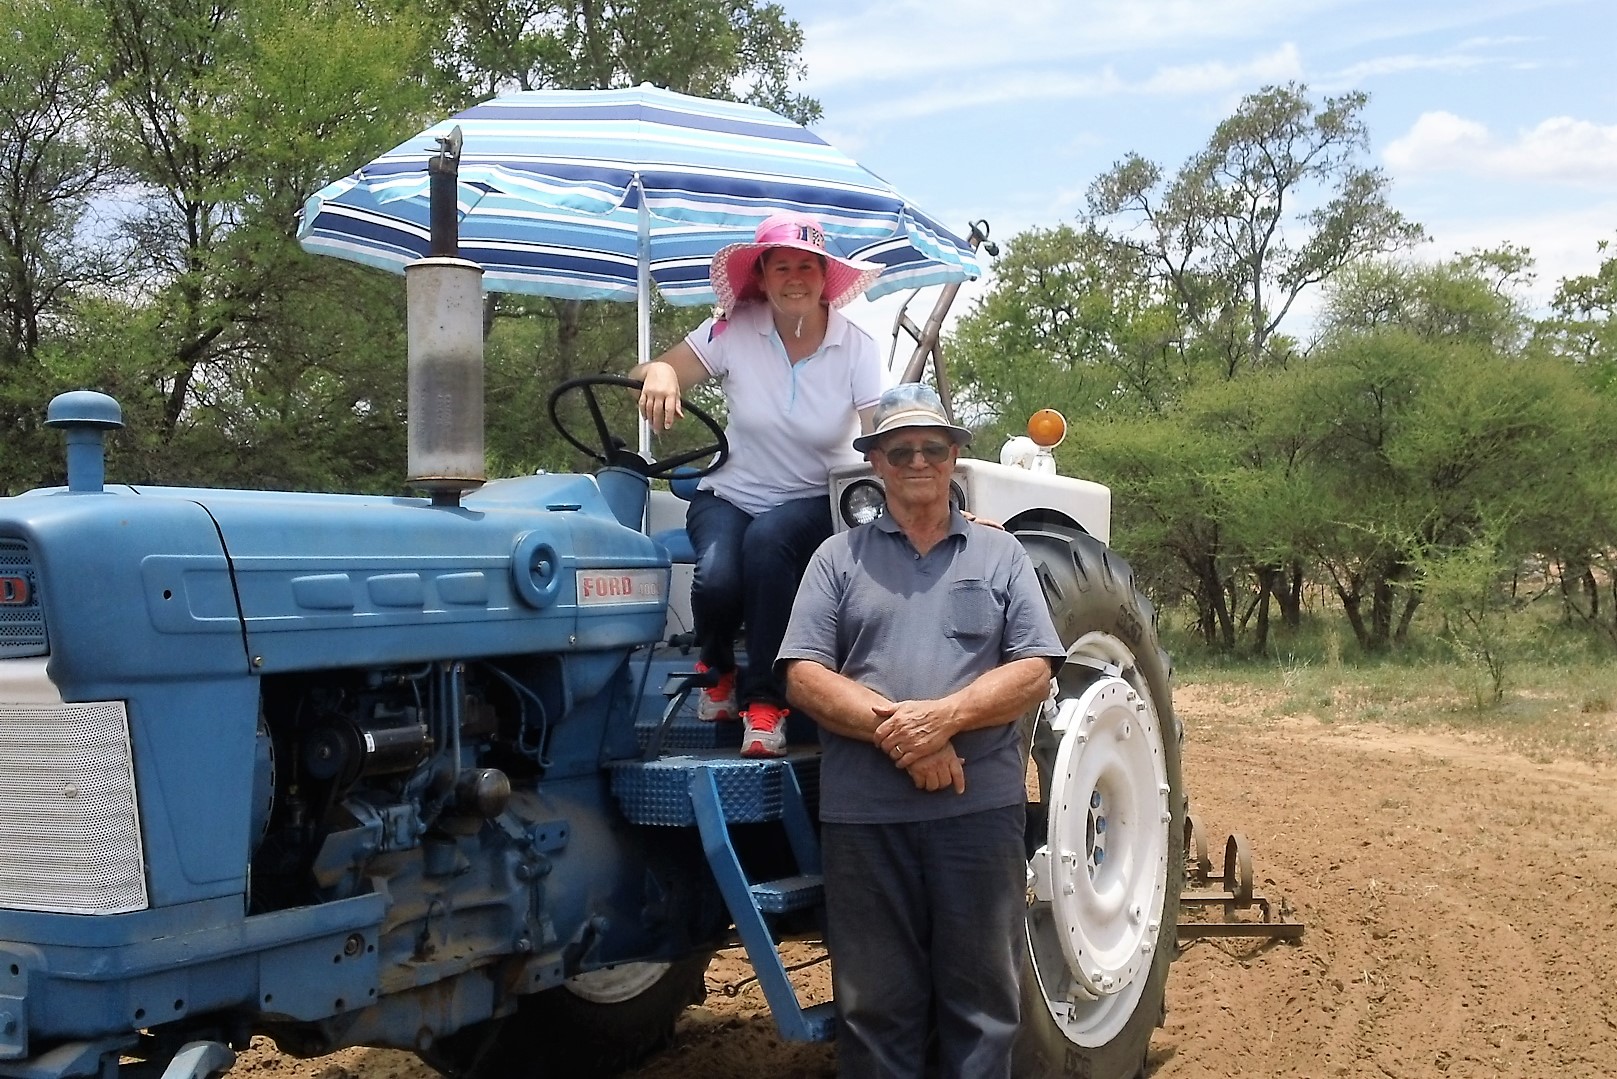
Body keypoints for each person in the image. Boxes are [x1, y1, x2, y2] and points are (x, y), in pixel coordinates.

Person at [776, 382, 1066, 1078]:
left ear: (952, 459)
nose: (916, 461)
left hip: (976, 815)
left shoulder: (1000, 557)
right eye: (898, 449)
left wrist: (945, 717)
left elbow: (1034, 670)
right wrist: (900, 732)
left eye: (931, 448)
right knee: (875, 1008)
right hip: (864, 819)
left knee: (982, 1003)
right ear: (874, 461)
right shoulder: (835, 559)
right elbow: (802, 676)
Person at [632, 211, 885, 758]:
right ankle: (715, 666)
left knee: (769, 544)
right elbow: (658, 371)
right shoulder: (733, 327)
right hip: (730, 493)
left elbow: (877, 440)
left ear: (824, 277)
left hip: (812, 500)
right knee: (718, 577)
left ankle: (766, 703)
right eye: (782, 266)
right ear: (763, 276)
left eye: (806, 266)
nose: (795, 278)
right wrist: (658, 373)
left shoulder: (857, 347)